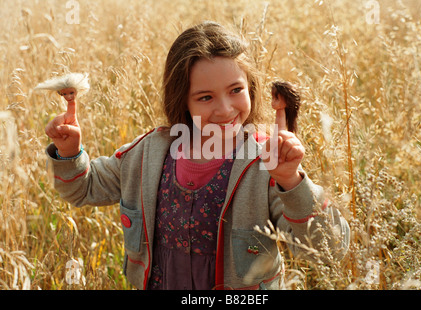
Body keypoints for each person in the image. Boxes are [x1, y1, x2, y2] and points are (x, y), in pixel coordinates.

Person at [44, 21, 350, 290]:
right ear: (183, 101)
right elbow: (82, 189)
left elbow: (327, 250)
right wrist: (69, 152)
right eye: (205, 97)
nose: (226, 109)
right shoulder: (148, 154)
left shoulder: (267, 163)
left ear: (251, 88)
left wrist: (292, 182)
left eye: (235, 90)